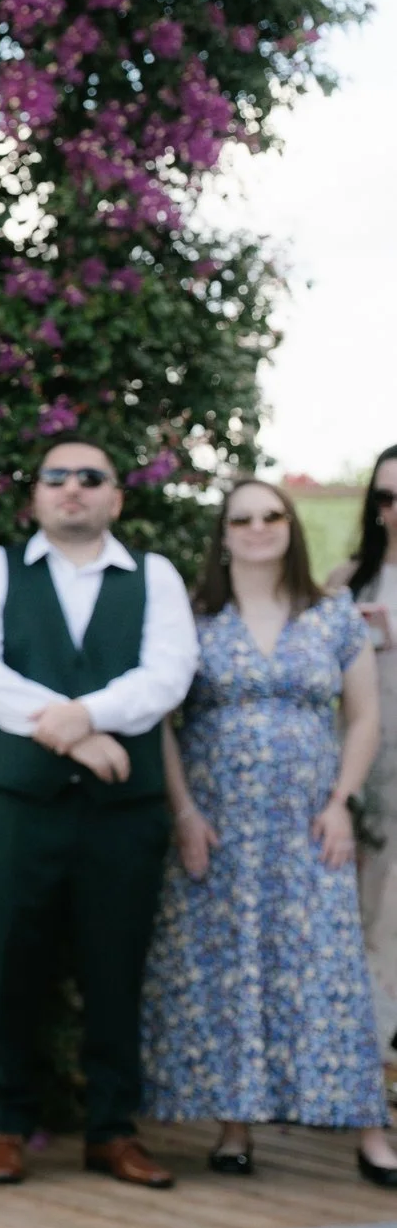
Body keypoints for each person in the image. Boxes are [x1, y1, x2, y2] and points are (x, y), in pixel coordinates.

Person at [0, 432, 198, 1188]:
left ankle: (113, 1129)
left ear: (116, 497)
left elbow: (168, 675)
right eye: (57, 476)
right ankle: (3, 1123)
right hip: (19, 804)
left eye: (91, 476)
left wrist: (79, 714)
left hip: (126, 812)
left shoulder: (154, 576)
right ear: (37, 496)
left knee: (116, 967)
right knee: (11, 961)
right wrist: (81, 737)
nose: (73, 487)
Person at [144, 479, 394, 1184]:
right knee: (227, 969)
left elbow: (365, 716)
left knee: (333, 969)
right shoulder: (193, 619)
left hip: (310, 824)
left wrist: (342, 799)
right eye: (241, 519)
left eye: (270, 515)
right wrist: (185, 811)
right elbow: (161, 721)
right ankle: (234, 1128)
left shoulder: (333, 615)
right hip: (217, 826)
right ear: (222, 534)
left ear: (291, 526)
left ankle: (371, 1132)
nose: (257, 528)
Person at [326, 443, 397, 1072]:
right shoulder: (349, 581)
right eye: (386, 496)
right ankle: (367, 1067)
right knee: (368, 924)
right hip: (363, 777)